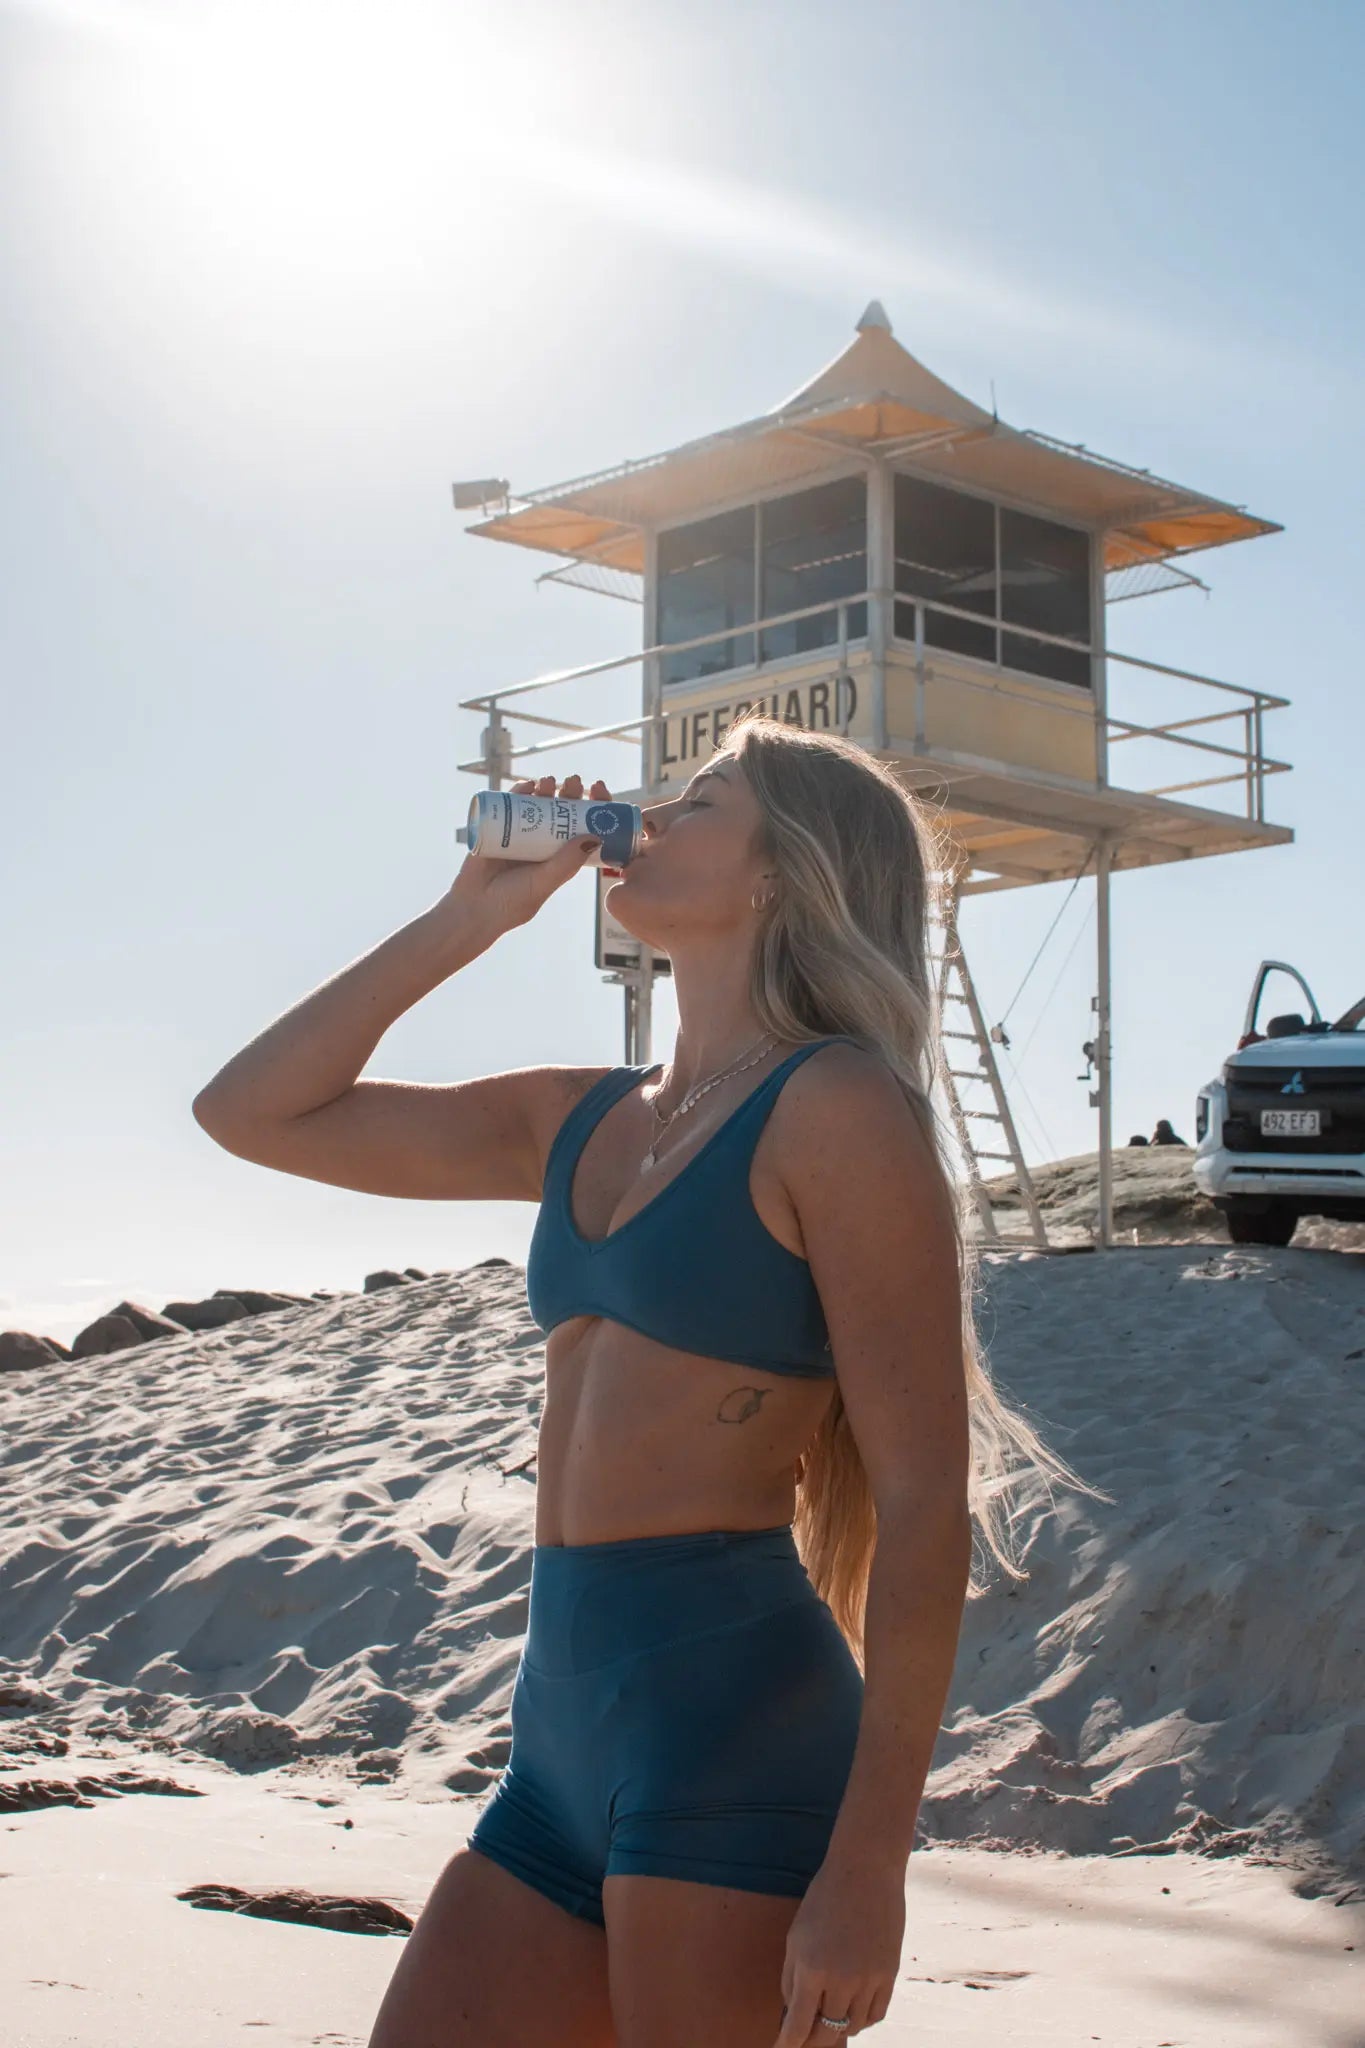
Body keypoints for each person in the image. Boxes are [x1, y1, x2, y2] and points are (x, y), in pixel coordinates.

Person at [193, 712, 1102, 2047]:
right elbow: (248, 1113)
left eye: (698, 804)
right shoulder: (581, 1116)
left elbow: (918, 1499)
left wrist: (870, 1868)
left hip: (732, 1732)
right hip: (554, 1747)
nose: (647, 820)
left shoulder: (836, 1108)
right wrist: (472, 918)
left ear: (779, 875)